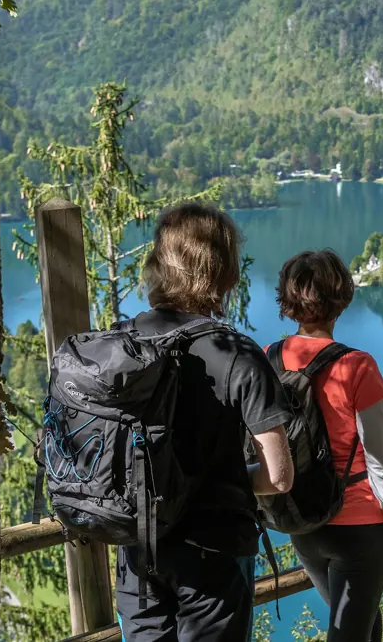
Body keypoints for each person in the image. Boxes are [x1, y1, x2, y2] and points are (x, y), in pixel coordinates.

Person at [116, 202, 295, 641]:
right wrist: (227, 479)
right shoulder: (237, 352)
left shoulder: (120, 342)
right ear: (225, 271)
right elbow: (280, 476)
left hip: (138, 548)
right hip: (212, 553)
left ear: (158, 265)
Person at [276, 249, 383, 642]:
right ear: (342, 298)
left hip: (303, 521)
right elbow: (381, 461)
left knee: (366, 627)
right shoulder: (357, 365)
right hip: (359, 528)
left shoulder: (269, 359)